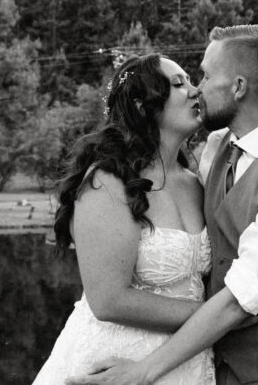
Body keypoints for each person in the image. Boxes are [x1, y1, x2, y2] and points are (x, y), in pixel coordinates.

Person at [70, 25, 258, 385]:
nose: (197, 87)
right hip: (207, 364)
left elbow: (240, 298)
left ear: (239, 87)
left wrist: (141, 374)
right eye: (184, 81)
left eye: (205, 75)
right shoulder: (216, 148)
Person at [33, 53, 216, 384]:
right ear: (142, 105)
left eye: (191, 80)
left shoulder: (196, 181)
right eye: (178, 84)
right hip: (116, 363)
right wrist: (222, 317)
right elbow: (108, 300)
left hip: (186, 360)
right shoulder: (107, 181)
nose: (194, 91)